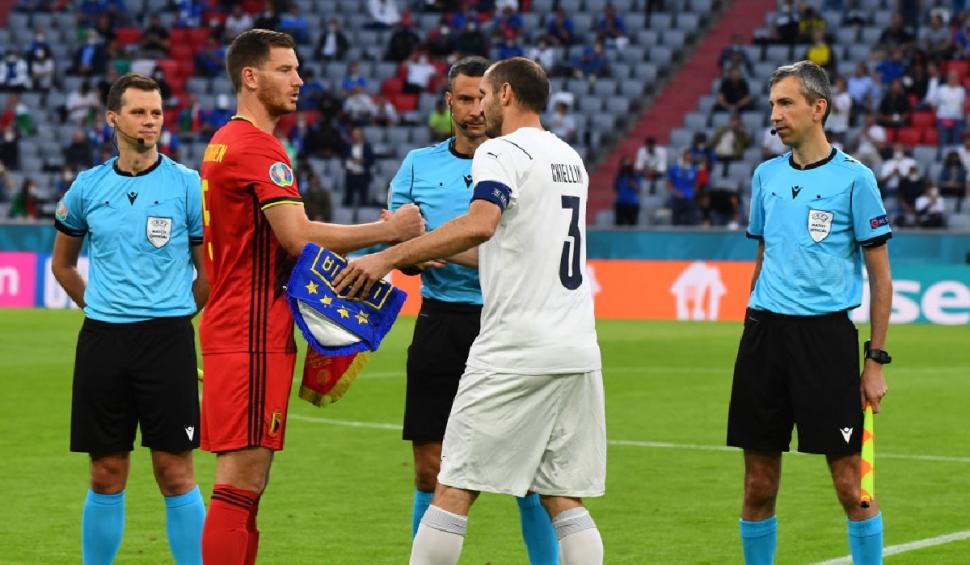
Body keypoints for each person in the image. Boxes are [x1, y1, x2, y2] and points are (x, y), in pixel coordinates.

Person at [333, 57, 606, 565]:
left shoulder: (501, 152)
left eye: (484, 94)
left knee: (453, 486)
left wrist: (388, 256)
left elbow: (481, 224)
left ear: (504, 95)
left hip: (513, 344)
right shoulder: (568, 156)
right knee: (562, 495)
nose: (478, 106)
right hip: (575, 344)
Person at [197, 29, 424, 565]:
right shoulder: (256, 146)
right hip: (250, 333)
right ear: (250, 77)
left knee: (248, 484)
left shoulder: (226, 140)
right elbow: (296, 238)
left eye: (298, 69)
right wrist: (386, 232)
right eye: (285, 70)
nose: (299, 80)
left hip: (241, 325)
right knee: (239, 482)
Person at [388, 56, 560, 565]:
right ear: (449, 103)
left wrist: (425, 246)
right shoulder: (418, 165)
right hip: (441, 321)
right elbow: (403, 245)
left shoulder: (522, 160)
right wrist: (414, 257)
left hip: (506, 319)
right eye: (463, 99)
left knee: (528, 476)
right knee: (429, 467)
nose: (473, 110)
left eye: (479, 98)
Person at [728, 61, 891, 565]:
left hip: (826, 341)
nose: (774, 115)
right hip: (764, 337)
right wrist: (750, 326)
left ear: (818, 109)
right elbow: (762, 255)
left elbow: (881, 278)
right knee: (757, 483)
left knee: (850, 486)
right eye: (772, 104)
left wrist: (875, 361)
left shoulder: (855, 180)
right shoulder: (765, 175)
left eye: (785, 103)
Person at [50, 72, 208, 565]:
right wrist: (97, 305)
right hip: (104, 342)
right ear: (113, 118)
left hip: (167, 341)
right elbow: (62, 264)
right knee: (105, 472)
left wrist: (175, 313)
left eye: (157, 112)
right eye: (139, 112)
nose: (150, 121)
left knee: (175, 471)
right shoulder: (87, 187)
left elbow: (208, 273)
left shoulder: (185, 185)